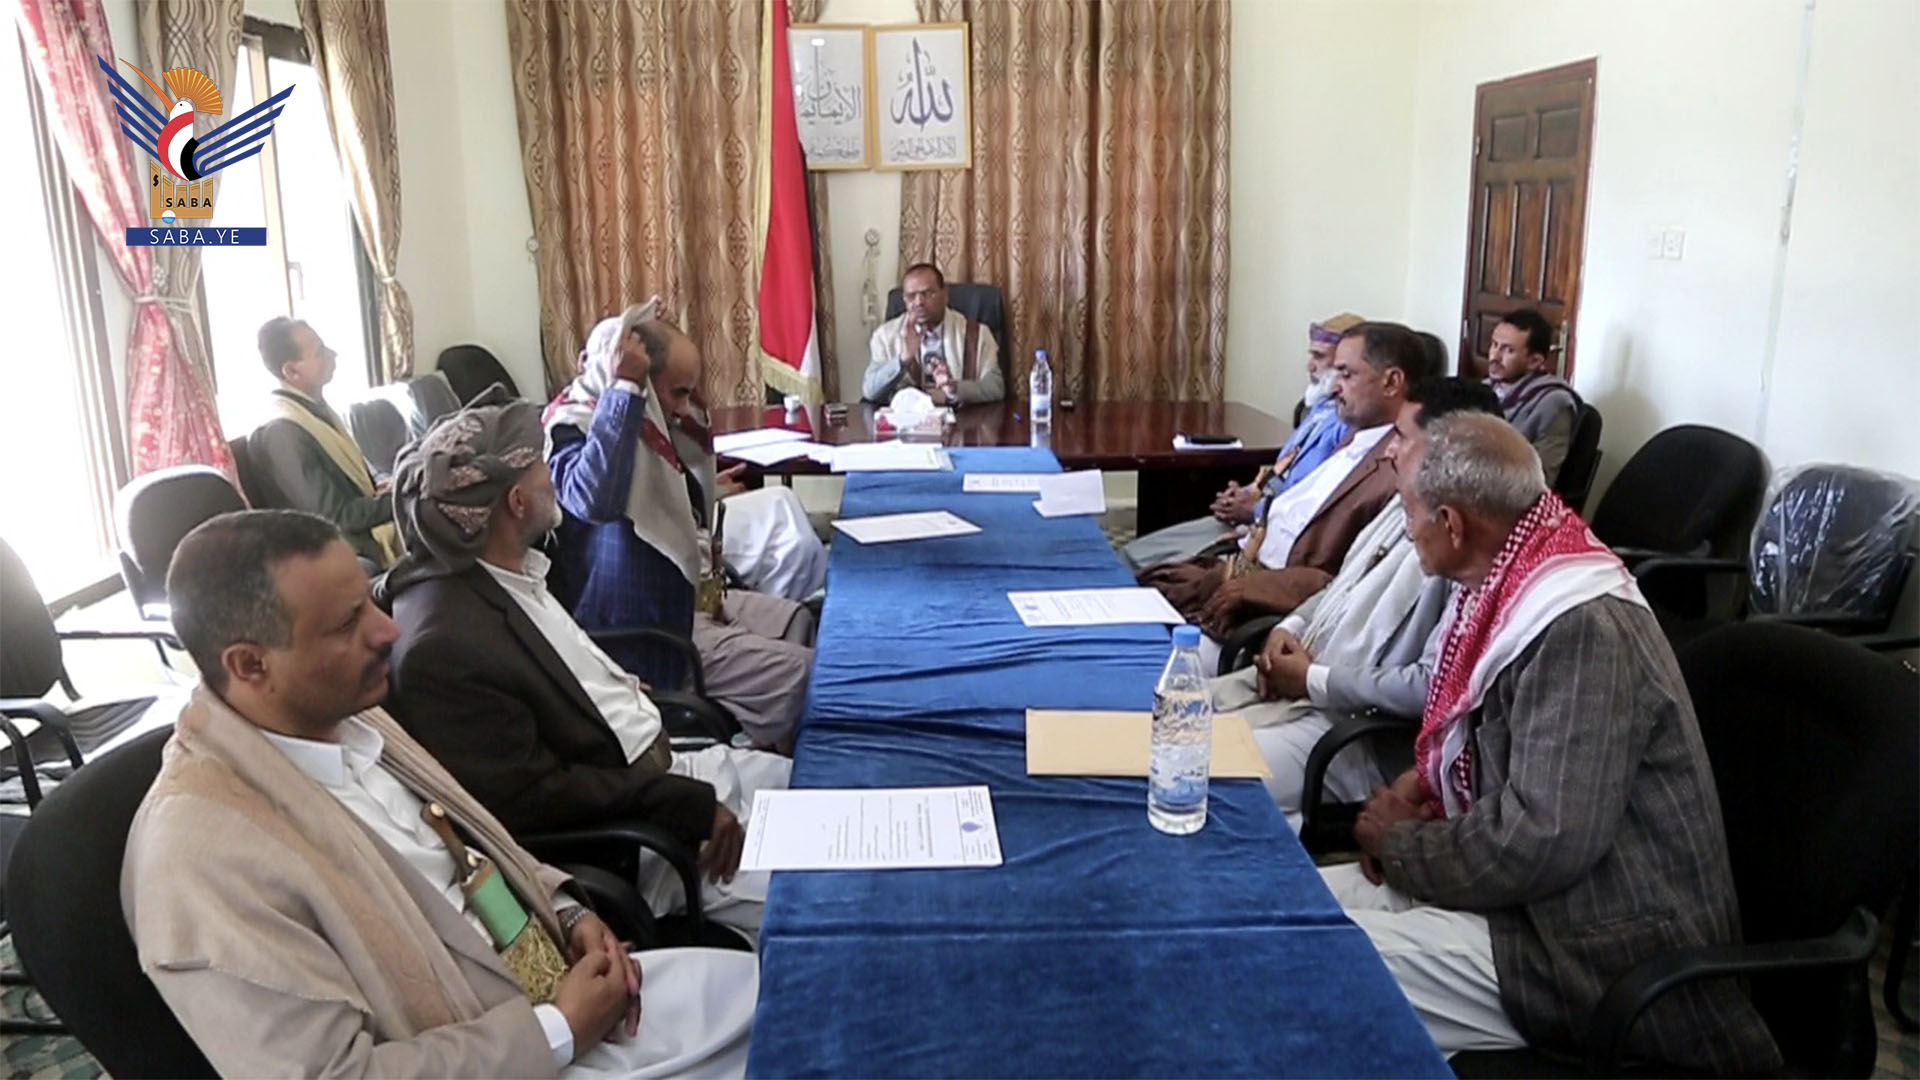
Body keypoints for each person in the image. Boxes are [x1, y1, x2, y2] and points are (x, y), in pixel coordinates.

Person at [129, 509, 757, 1076]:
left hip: (554, 1003)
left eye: (372, 603)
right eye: (349, 623)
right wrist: (559, 1031)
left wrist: (567, 913)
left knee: (773, 993)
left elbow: (475, 853)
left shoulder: (348, 715)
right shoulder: (197, 860)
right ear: (250, 665)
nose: (389, 632)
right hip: (517, 1051)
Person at [1321, 415, 1780, 1072]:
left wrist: (1400, 846)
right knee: (1283, 909)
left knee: (1303, 963)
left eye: (1408, 511)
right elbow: (1491, 736)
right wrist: (1422, 785)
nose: (1406, 526)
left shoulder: (1581, 627)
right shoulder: (1516, 566)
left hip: (1588, 945)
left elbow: (1543, 839)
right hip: (1535, 904)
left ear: (1453, 524)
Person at [383, 388, 790, 935]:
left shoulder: (502, 571)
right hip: (644, 835)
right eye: (540, 466)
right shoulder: (443, 647)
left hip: (666, 772)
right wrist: (689, 807)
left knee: (831, 791)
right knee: (837, 889)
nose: (554, 474)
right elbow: (536, 799)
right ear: (516, 502)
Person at [1210, 377, 1502, 822]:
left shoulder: (1468, 547)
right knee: (1165, 723)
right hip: (1301, 689)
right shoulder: (1402, 498)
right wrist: (1289, 629)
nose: (1388, 449)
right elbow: (1339, 586)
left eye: (1402, 438)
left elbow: (1431, 686)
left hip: (1352, 735)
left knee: (1196, 772)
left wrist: (1313, 679)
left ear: (1444, 455)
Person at [546, 301, 814, 749]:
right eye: (677, 394)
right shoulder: (572, 427)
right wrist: (626, 391)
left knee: (797, 620)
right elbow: (595, 500)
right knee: (804, 676)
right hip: (644, 633)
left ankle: (763, 739)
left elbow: (668, 503)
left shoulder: (649, 425)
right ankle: (779, 763)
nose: (683, 410)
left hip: (686, 603)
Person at [1141, 321, 1435, 642]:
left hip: (1267, 606)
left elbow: (1347, 582)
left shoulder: (1397, 465)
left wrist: (1246, 581)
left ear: (1392, 382)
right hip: (1240, 562)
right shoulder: (1355, 435)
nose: (1334, 387)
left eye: (1346, 375)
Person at [1121, 313, 1360, 570]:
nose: (1310, 366)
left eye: (1320, 357)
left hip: (1268, 537)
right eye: (1311, 355)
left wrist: (1254, 510)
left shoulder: (1350, 426)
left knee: (1141, 568)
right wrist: (1245, 493)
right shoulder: (1321, 407)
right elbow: (1283, 474)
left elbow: (1314, 506)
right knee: (1128, 556)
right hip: (1252, 519)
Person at [248, 316, 401, 570]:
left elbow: (355, 485)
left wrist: (388, 488)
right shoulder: (282, 432)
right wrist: (402, 495)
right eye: (320, 352)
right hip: (333, 548)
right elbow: (335, 518)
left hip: (357, 531)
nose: (333, 354)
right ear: (291, 371)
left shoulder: (314, 410)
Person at [862, 263, 1005, 406]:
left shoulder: (977, 334)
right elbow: (869, 391)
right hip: (906, 423)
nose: (919, 302)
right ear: (904, 300)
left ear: (945, 296)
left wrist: (954, 389)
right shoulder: (885, 336)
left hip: (961, 422)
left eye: (928, 294)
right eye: (911, 296)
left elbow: (996, 387)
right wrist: (902, 360)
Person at [1484, 308, 1578, 484]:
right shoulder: (1485, 388)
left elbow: (1541, 478)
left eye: (1508, 350)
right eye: (1494, 345)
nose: (1494, 356)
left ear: (1534, 361)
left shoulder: (1553, 404)